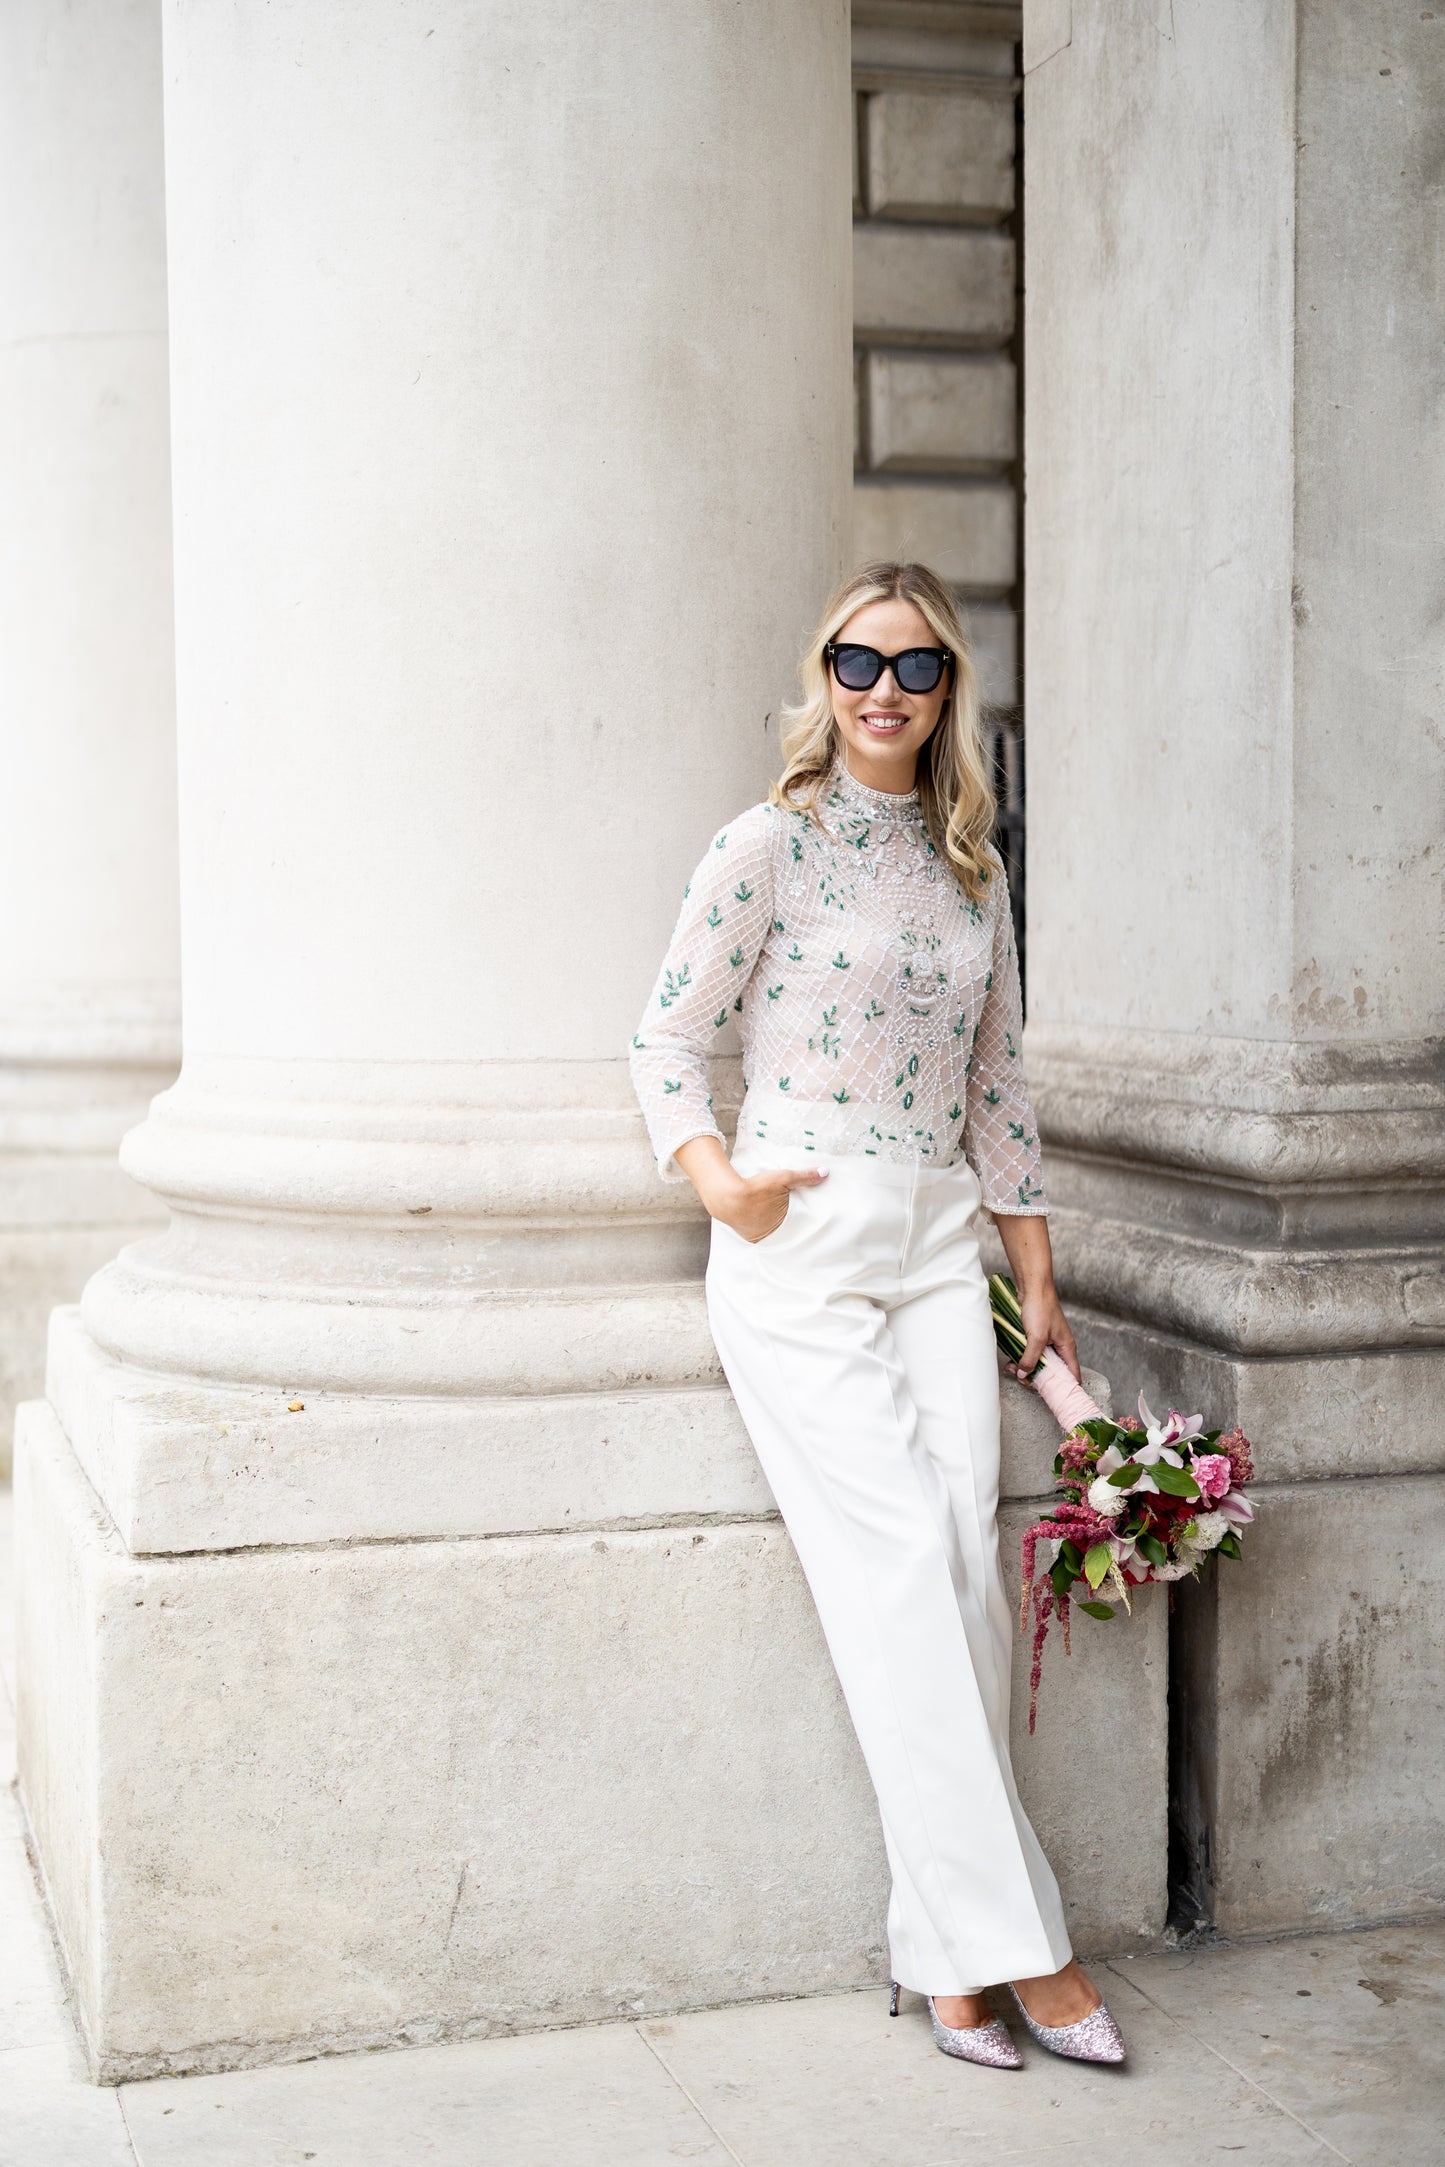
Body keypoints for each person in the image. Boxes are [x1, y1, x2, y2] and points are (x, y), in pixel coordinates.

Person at [628, 560, 1125, 2070]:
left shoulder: (972, 867)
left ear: (948, 690)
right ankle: (1029, 1956)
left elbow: (998, 1083)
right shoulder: (766, 842)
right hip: (803, 1244)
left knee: (959, 1578)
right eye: (857, 662)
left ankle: (943, 1956)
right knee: (906, 1566)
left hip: (936, 1244)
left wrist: (1033, 1269)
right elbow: (666, 1036)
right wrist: (722, 1184)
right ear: (822, 673)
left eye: (914, 670)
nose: (883, 693)